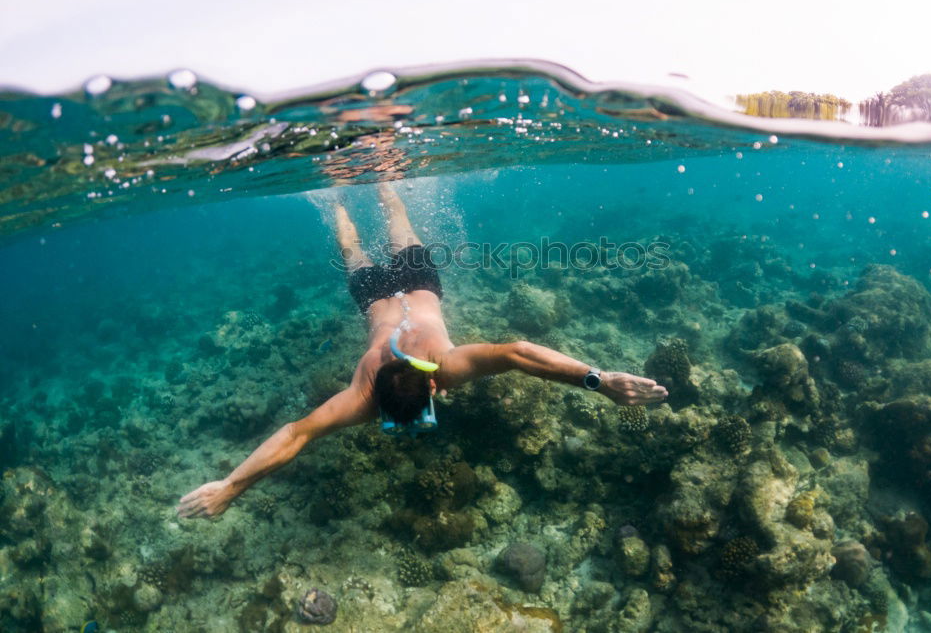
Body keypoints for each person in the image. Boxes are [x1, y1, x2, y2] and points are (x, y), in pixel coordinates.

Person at [177, 183, 667, 518]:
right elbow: (520, 353)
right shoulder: (429, 373)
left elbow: (295, 435)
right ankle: (353, 193)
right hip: (382, 295)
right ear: (431, 383)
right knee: (370, 238)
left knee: (378, 233)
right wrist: (597, 380)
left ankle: (341, 193)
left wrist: (233, 485)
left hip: (403, 291)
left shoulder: (371, 393)